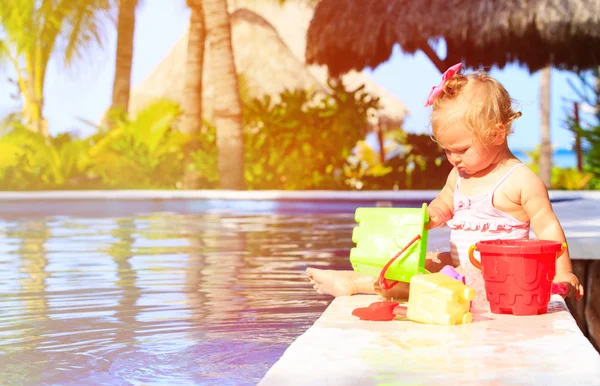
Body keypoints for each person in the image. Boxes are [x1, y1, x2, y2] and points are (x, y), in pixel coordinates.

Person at [307, 63, 584, 301]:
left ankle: (357, 284)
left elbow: (547, 228)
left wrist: (563, 272)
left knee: (426, 286)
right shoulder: (459, 175)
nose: (453, 158)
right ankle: (353, 278)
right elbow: (444, 202)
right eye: (447, 150)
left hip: (500, 280)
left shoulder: (520, 180)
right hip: (458, 267)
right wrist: (435, 214)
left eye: (461, 150)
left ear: (497, 134)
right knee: (412, 264)